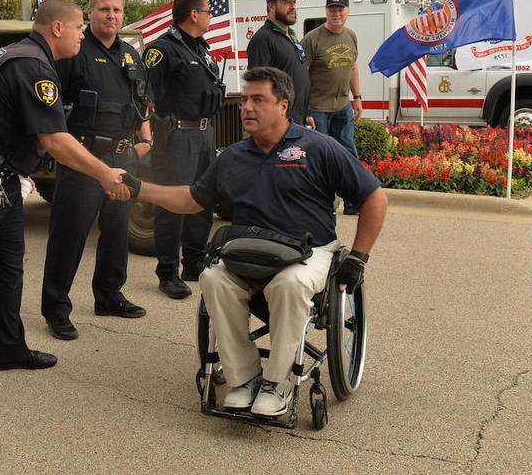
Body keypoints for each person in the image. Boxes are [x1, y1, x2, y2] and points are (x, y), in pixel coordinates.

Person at [120, 67, 387, 418]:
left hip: (309, 251)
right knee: (212, 278)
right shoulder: (232, 157)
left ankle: (278, 383)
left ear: (283, 106)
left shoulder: (319, 148)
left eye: (258, 100)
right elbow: (191, 199)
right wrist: (139, 187)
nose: (247, 107)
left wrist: (358, 258)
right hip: (249, 250)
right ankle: (244, 378)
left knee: (289, 285)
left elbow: (375, 198)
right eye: (245, 99)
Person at [0, 0, 131, 399]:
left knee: (6, 270)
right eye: (76, 28)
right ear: (56, 28)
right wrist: (104, 172)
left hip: (0, 181)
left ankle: (6, 348)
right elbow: (54, 139)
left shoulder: (32, 58)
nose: (81, 35)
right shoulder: (32, 65)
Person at [40, 0, 151, 340]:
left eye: (117, 10)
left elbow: (143, 101)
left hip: (123, 156)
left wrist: (145, 139)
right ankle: (56, 308)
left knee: (118, 230)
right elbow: (52, 106)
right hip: (85, 157)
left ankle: (108, 295)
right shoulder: (73, 51)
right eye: (104, 10)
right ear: (90, 14)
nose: (112, 16)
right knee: (69, 235)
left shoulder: (130, 55)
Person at [143, 0, 225, 299]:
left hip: (204, 134)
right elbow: (147, 100)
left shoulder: (201, 48)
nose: (210, 17)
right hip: (176, 136)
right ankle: (167, 273)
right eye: (207, 12)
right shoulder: (163, 51)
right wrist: (148, 137)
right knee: (172, 203)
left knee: (202, 199)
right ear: (193, 14)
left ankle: (193, 262)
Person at [301, 0, 363, 214]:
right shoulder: (312, 39)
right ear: (326, 11)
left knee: (347, 155)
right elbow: (301, 75)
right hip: (318, 109)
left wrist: (357, 97)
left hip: (343, 106)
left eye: (340, 9)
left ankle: (353, 202)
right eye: (332, 9)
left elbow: (353, 66)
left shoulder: (351, 36)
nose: (336, 13)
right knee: (321, 158)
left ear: (347, 11)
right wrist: (305, 108)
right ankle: (325, 204)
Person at [246, 0, 312, 128]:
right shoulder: (263, 38)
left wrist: (306, 113)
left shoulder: (291, 37)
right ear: (271, 7)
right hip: (277, 124)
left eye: (294, 3)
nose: (293, 7)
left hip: (296, 119)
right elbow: (258, 85)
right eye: (287, 2)